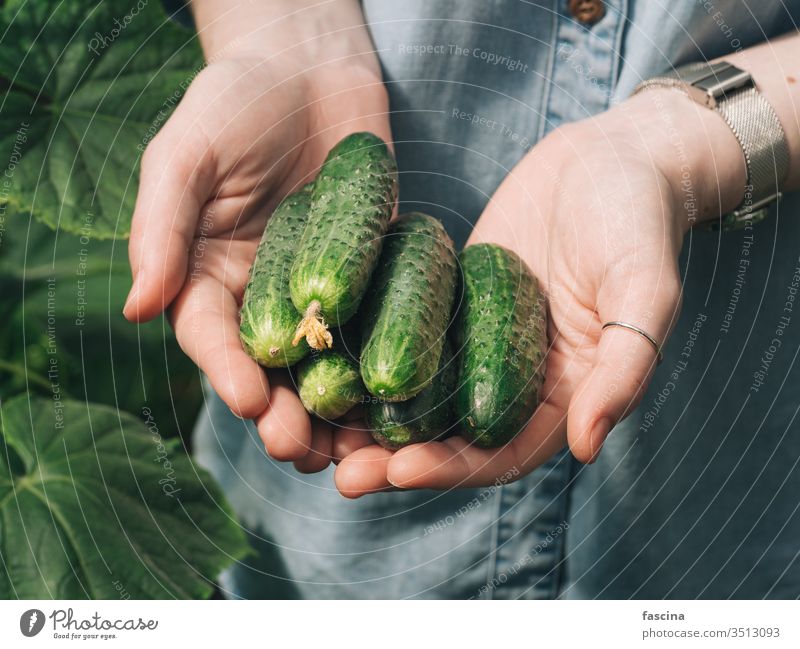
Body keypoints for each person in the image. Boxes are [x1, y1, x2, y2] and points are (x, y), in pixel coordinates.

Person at [126, 0, 800, 598]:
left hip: (708, 510)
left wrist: (690, 144)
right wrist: (279, 31)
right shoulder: (325, 291)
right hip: (338, 567)